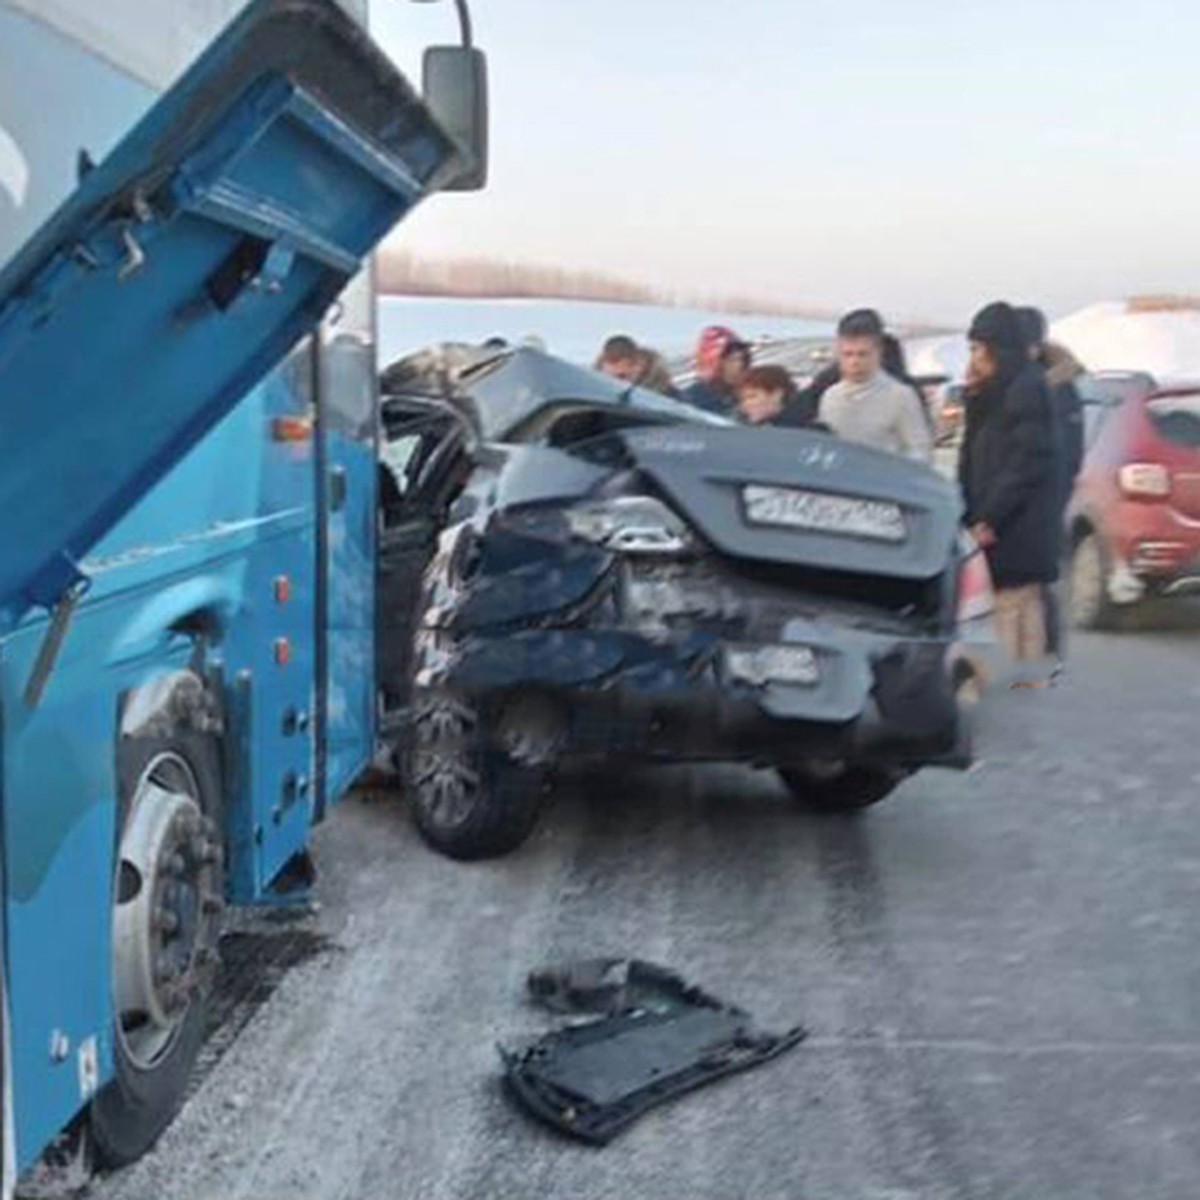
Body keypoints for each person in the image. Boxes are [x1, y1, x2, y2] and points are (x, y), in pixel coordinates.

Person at [958, 302, 1060, 671]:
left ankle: (1019, 702)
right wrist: (974, 398)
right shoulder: (1004, 388)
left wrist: (989, 519)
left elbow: (1026, 463)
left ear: (995, 349)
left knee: (1012, 622)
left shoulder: (1026, 388)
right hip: (1003, 527)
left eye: (976, 349)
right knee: (1007, 622)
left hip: (1014, 532)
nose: (972, 359)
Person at [1016, 306, 1086, 666]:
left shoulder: (1058, 388)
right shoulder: (1025, 380)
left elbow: (1068, 451)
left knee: (1037, 575)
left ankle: (1044, 650)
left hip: (1044, 493)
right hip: (1022, 490)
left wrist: (1050, 494)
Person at [818, 309, 933, 461]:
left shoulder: (901, 396)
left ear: (878, 353)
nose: (855, 362)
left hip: (883, 481)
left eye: (862, 354)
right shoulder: (830, 396)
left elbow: (920, 451)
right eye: (848, 354)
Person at [681, 326, 751, 415]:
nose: (739, 365)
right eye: (731, 360)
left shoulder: (750, 397)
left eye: (743, 359)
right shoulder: (691, 400)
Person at [595, 334, 680, 398]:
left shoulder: (668, 397)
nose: (619, 370)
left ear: (639, 364)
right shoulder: (594, 394)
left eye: (623, 376)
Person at [736, 364, 816, 427]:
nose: (745, 405)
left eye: (752, 396)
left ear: (776, 394)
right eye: (743, 399)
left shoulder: (807, 428)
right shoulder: (750, 428)